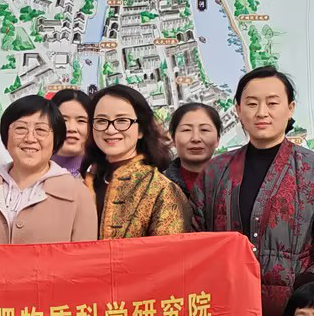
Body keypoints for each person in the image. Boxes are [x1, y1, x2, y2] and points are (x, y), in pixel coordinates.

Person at [191, 67, 314, 316]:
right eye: (252, 103)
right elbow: (195, 242)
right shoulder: (215, 171)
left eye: (272, 103)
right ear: (238, 109)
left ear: (290, 108)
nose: (261, 112)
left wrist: (309, 289)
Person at [0, 94, 98, 244]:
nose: (30, 139)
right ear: (6, 136)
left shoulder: (77, 194)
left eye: (41, 130)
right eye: (20, 128)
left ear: (56, 139)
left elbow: (84, 256)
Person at [81, 85, 189, 239]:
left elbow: (170, 251)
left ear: (141, 130)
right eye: (101, 121)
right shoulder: (82, 182)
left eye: (122, 120)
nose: (110, 130)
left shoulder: (162, 190)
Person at [165, 101, 222, 197]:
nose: (196, 138)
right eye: (186, 130)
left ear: (217, 139)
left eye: (204, 130)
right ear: (173, 139)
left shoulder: (235, 184)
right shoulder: (157, 189)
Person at [49, 88, 91, 176]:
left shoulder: (104, 176)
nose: (71, 128)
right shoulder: (30, 173)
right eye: (64, 120)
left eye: (81, 121)